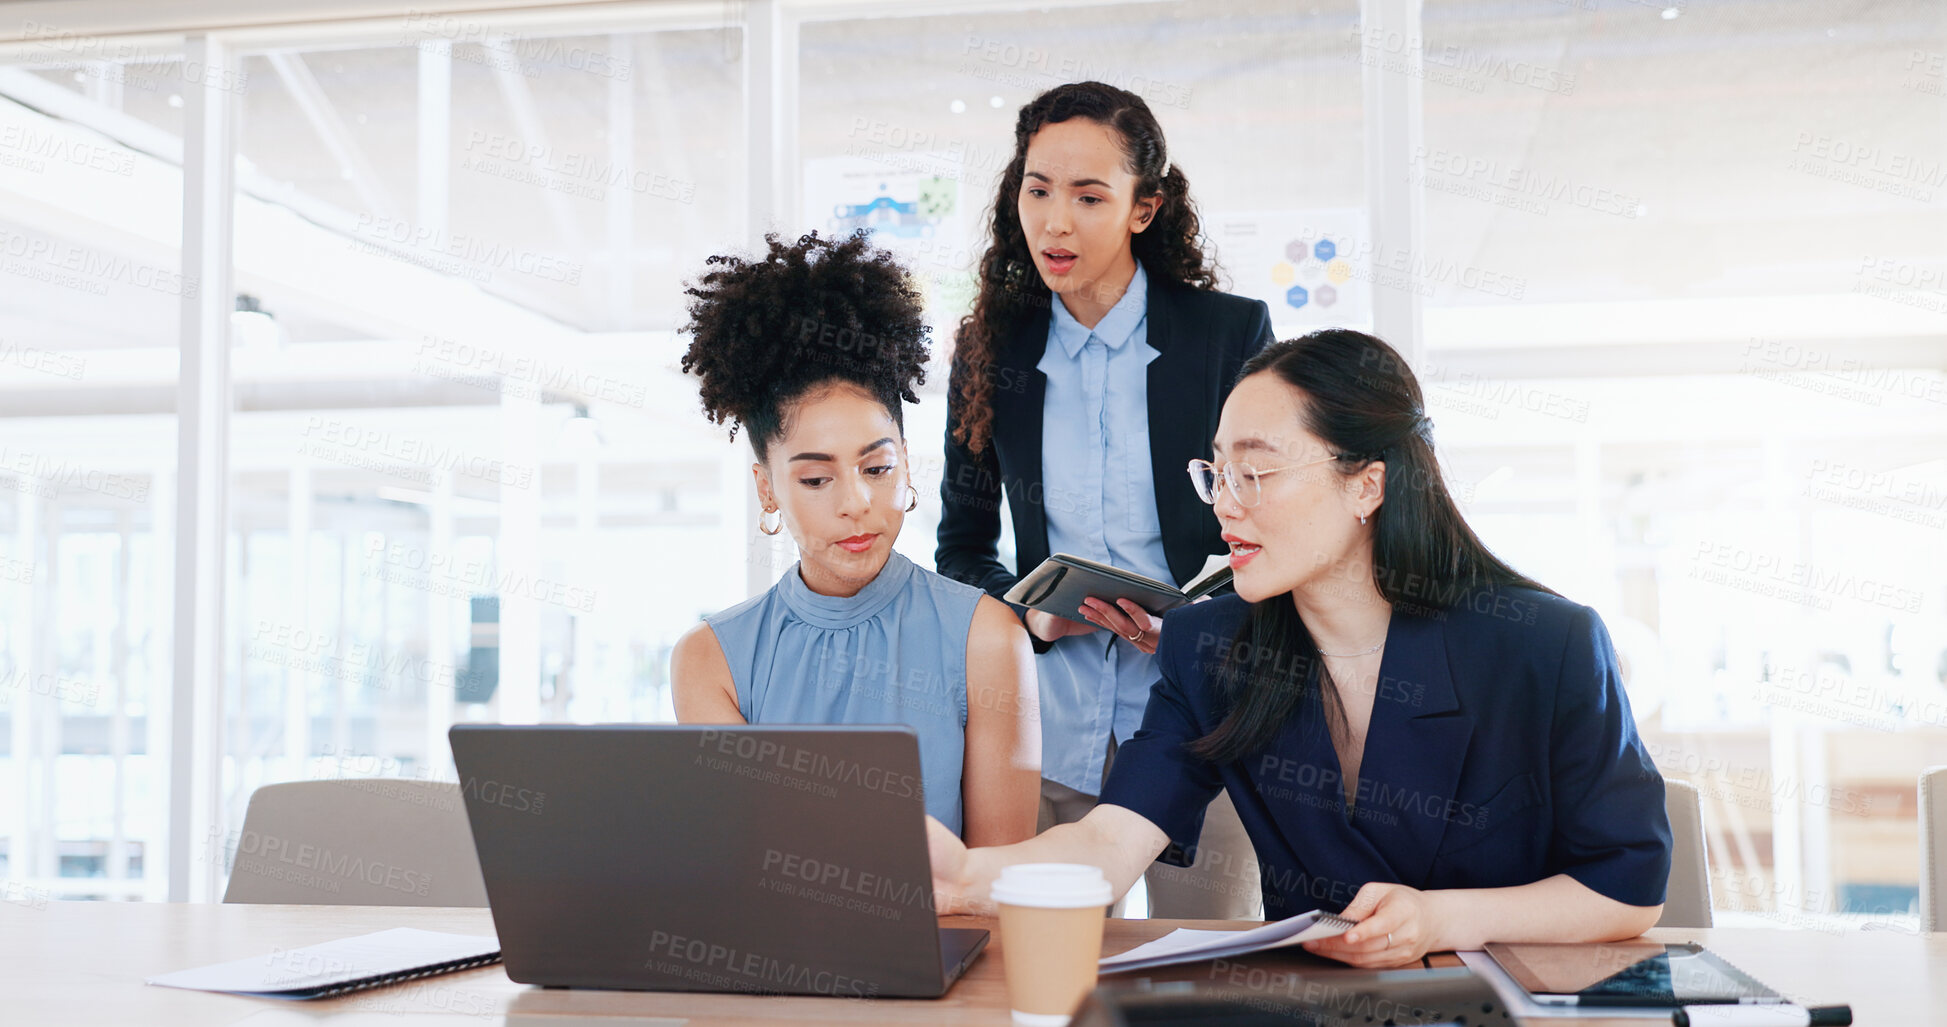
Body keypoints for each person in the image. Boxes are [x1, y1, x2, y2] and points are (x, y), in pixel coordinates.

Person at [929, 329, 1672, 966]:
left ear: (1366, 486)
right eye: (1215, 471)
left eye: (1254, 471)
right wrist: (962, 875)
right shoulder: (1209, 645)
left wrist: (1443, 919)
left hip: (1502, 999)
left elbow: (1624, 887)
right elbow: (1106, 845)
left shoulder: (1543, 645)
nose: (1224, 501)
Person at [936, 81, 1274, 917]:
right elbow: (960, 547)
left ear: (1142, 207)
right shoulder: (989, 350)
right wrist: (1027, 616)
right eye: (1037, 189)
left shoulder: (1226, 336)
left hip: (1201, 718)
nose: (1055, 221)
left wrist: (1192, 627)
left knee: (1204, 976)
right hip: (1040, 735)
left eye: (1090, 197)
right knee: (1021, 963)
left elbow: (1279, 523)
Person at [672, 230, 1041, 846]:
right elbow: (744, 862)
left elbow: (993, 885)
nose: (857, 503)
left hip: (944, 941)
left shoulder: (988, 638)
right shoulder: (711, 662)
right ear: (767, 489)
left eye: (877, 468)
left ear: (906, 462)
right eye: (817, 478)